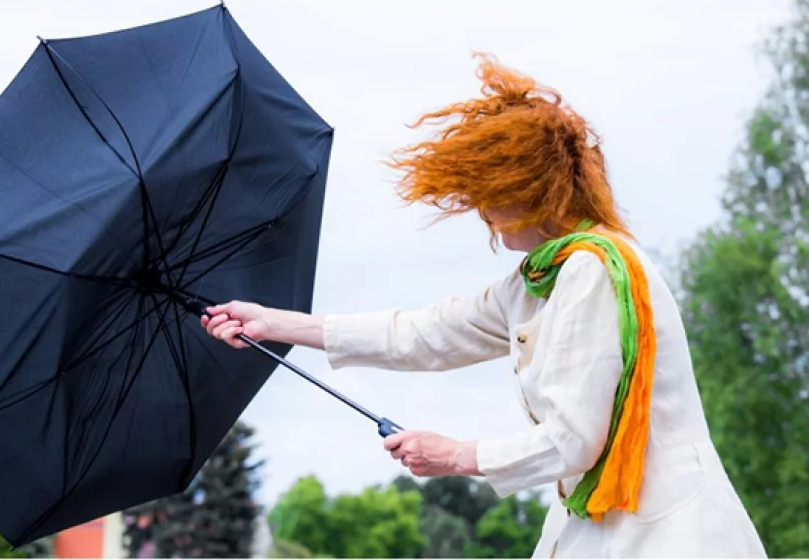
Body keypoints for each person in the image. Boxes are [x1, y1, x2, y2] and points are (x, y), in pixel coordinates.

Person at [199, 55, 766, 558]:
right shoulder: (539, 279)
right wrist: (275, 324)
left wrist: (457, 455)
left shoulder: (592, 271)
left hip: (667, 534)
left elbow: (574, 439)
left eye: (485, 192)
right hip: (602, 526)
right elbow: (423, 334)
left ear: (529, 186)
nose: (480, 210)